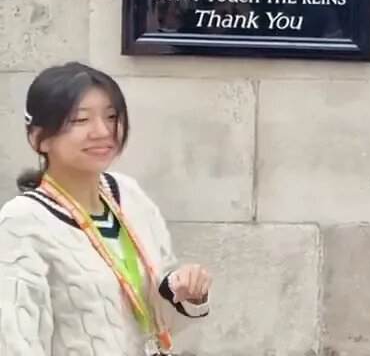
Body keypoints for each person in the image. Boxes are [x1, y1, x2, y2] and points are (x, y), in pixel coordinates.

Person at [0, 62, 213, 355]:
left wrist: (184, 291)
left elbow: (156, 319)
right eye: (80, 120)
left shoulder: (128, 195)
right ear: (39, 137)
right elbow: (16, 343)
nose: (102, 131)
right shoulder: (21, 224)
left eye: (111, 116)